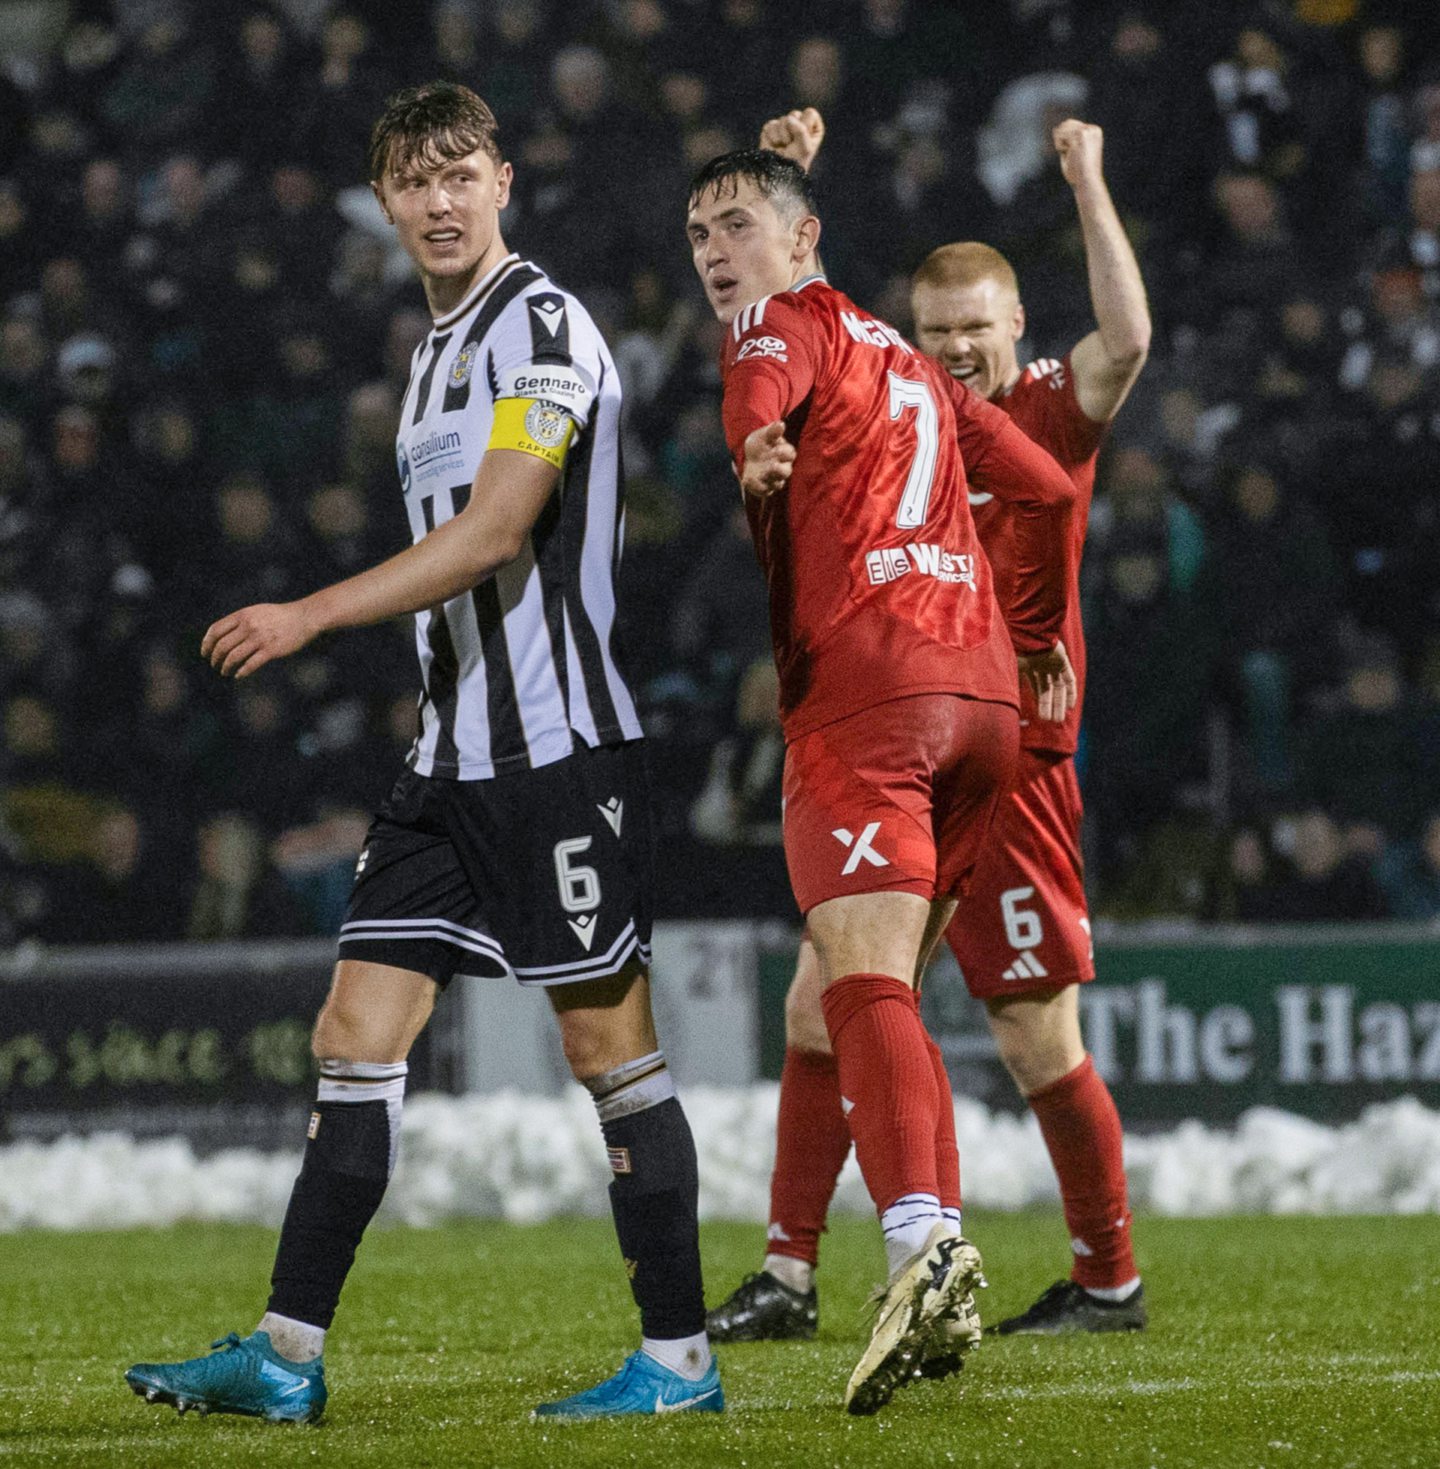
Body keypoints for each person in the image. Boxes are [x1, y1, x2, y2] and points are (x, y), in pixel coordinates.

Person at [124, 82, 721, 1425]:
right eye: (413, 181)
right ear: (385, 201)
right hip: (449, 766)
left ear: (504, 179)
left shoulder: (545, 326)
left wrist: (309, 611)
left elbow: (501, 529)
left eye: (461, 173)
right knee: (352, 1033)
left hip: (561, 755)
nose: (440, 200)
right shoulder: (432, 354)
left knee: (610, 1051)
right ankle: (284, 1356)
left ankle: (680, 1361)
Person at [706, 108, 1151, 1346]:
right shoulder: (908, 394)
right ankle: (791, 1271)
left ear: (1018, 327)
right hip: (950, 718)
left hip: (1013, 756)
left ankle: (1103, 1275)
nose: (958, 350)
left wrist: (1087, 182)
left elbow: (1129, 340)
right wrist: (787, 172)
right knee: (831, 998)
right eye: (939, 331)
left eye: (978, 331)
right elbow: (796, 298)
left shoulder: (1053, 405)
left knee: (1028, 1030)